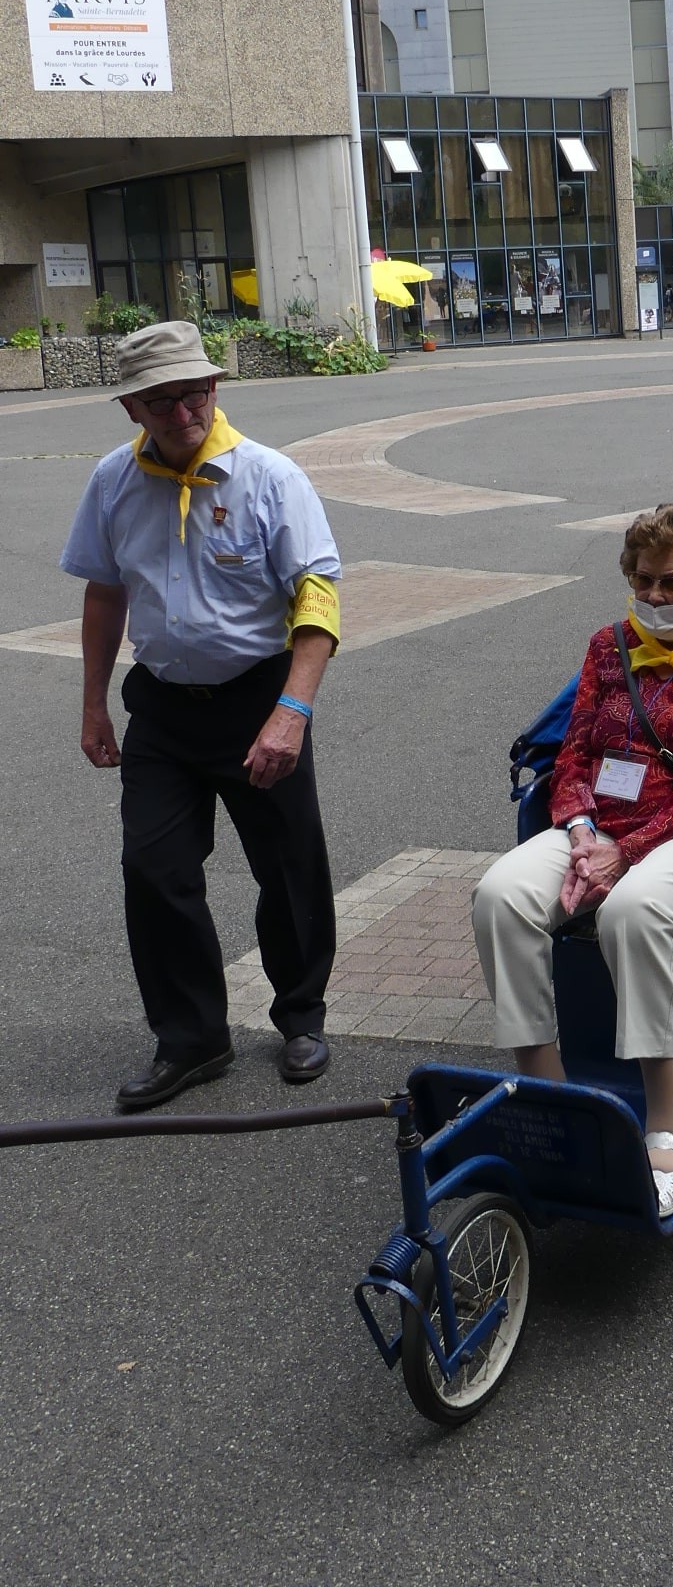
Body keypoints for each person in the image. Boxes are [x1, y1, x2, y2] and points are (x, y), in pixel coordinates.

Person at [60, 322, 342, 1112]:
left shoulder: (270, 478)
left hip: (260, 699)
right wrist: (91, 707)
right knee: (154, 870)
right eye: (162, 398)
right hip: (162, 709)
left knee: (287, 868)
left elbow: (316, 598)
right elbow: (104, 591)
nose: (183, 409)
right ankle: (192, 1039)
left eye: (195, 391)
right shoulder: (113, 482)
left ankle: (300, 1016)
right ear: (131, 407)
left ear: (214, 391)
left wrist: (291, 712)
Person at [471, 503, 673, 1216]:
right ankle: (548, 1092)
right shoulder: (610, 646)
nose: (655, 598)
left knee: (634, 911)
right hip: (602, 827)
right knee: (500, 895)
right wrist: (580, 831)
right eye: (643, 581)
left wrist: (627, 851)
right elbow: (574, 750)